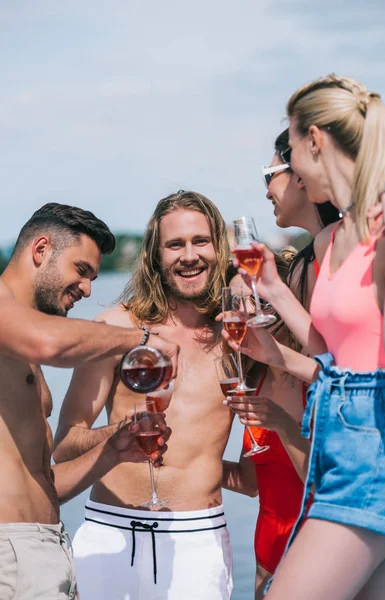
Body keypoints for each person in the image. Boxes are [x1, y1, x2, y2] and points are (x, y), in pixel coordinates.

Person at [234, 74, 385, 599]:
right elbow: (334, 352)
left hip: (376, 458)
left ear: (315, 142)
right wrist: (276, 293)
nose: (289, 176)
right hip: (334, 454)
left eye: (289, 153)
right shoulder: (334, 235)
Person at [53, 190, 234, 600]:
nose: (189, 255)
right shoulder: (115, 328)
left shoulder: (239, 336)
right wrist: (121, 432)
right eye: (175, 244)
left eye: (200, 241)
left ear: (218, 248)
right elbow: (64, 445)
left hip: (197, 540)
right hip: (107, 534)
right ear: (156, 255)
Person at [0, 202, 177, 600]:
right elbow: (49, 342)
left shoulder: (19, 345)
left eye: (95, 278)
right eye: (81, 271)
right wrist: (141, 338)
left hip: (44, 551)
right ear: (41, 249)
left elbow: (43, 486)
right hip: (11, 559)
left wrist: (113, 451)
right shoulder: (21, 327)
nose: (88, 289)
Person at [222, 130, 340, 598]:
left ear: (302, 173)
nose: (266, 188)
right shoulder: (300, 265)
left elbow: (344, 371)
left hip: (330, 531)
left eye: (269, 175)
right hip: (272, 556)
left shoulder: (343, 253)